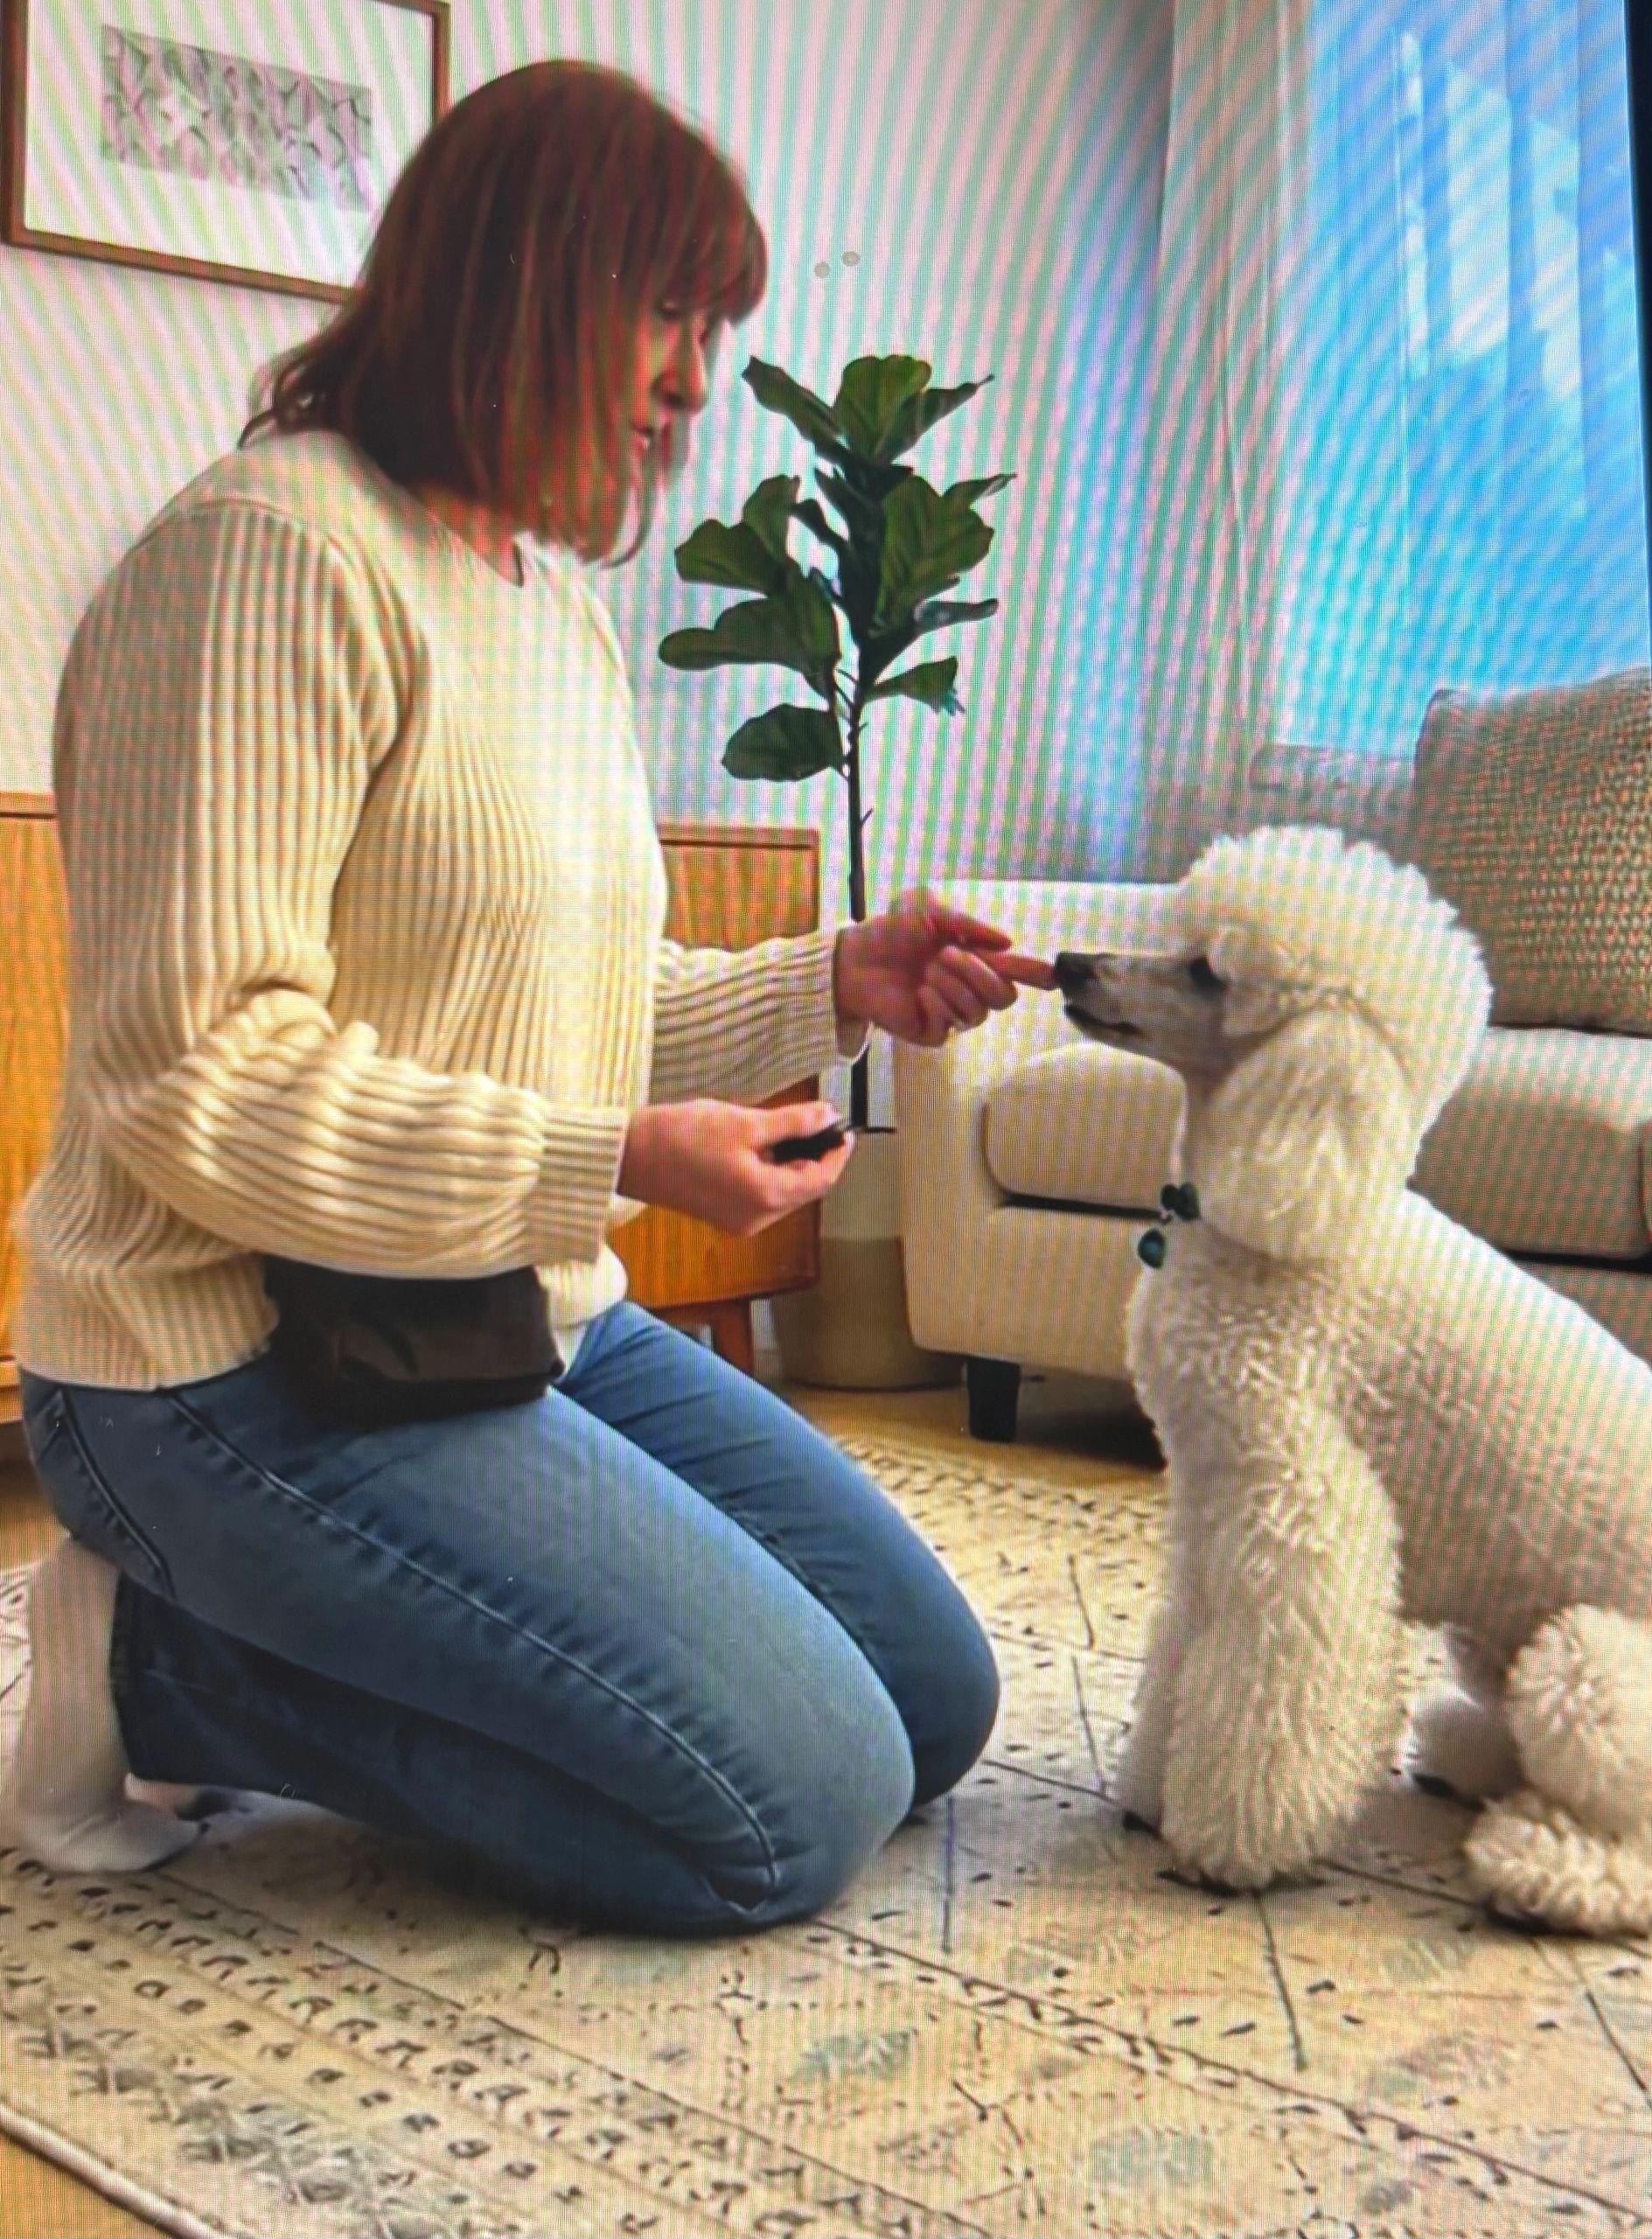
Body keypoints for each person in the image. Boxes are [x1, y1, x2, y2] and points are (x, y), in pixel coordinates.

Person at [0, 59, 1056, 1935]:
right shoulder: (268, 555)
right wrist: (617, 1158)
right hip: (227, 1355)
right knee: (792, 1809)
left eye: (708, 328)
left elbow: (572, 1001)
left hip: (501, 1312)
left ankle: (226, 1637)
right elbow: (194, 1072)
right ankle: (166, 1662)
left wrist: (837, 977)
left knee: (932, 1701)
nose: (689, 377)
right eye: (664, 312)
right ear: (518, 278)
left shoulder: (548, 612)